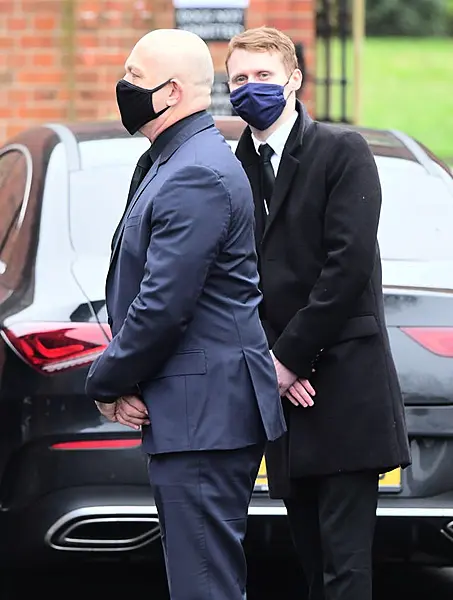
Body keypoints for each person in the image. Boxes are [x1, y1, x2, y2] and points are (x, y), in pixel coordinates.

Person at [85, 28, 286, 600]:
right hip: (198, 415)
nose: (123, 87)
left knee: (204, 587)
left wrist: (105, 379)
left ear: (172, 92)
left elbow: (164, 306)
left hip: (206, 418)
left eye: (134, 77)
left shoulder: (195, 170)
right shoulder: (173, 158)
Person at [226, 26, 411, 600]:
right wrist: (271, 364)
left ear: (295, 81)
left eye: (263, 76)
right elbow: (233, 278)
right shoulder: (233, 166)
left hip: (343, 388)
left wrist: (287, 358)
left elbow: (347, 267)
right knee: (307, 563)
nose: (250, 88)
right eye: (238, 78)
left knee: (346, 570)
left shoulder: (341, 152)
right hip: (283, 398)